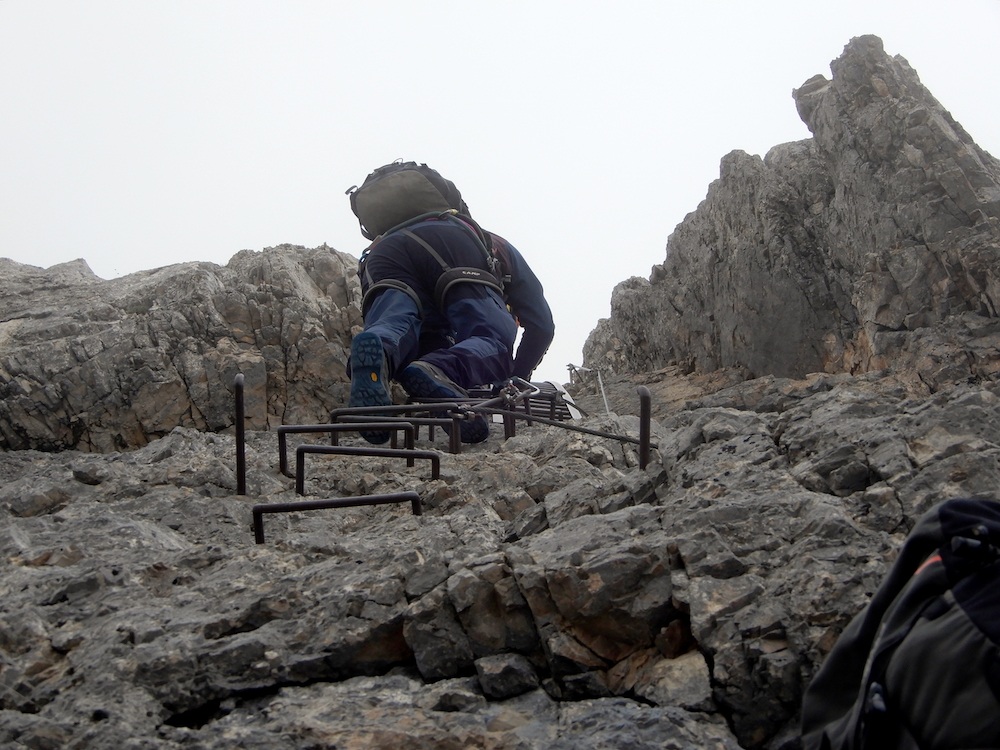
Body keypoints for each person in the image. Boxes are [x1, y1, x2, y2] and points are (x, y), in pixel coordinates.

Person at [347, 165, 553, 444]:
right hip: (450, 245)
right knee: (490, 337)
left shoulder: (387, 236)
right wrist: (517, 375)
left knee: (400, 325)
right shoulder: (490, 241)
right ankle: (443, 369)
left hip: (383, 254)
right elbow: (541, 324)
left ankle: (381, 347)